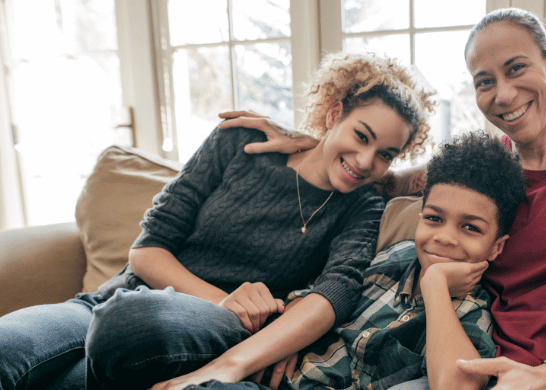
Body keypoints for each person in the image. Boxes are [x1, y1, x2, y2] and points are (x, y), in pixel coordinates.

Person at [222, 8, 546, 390]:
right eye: (484, 80)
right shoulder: (484, 171)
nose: (503, 94)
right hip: (482, 367)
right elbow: (378, 175)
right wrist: (307, 141)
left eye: (516, 69)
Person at [0, 52, 433, 390]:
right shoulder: (241, 140)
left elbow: (334, 294)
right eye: (361, 136)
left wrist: (255, 329)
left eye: (385, 154)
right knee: (9, 348)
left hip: (204, 331)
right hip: (114, 300)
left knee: (130, 323)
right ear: (335, 112)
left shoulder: (362, 207)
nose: (365, 161)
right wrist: (225, 300)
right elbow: (148, 249)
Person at [186, 131, 528, 390]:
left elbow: (455, 385)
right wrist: (290, 338)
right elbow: (318, 297)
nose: (444, 237)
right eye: (434, 219)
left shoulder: (473, 312)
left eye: (470, 227)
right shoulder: (392, 259)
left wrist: (435, 284)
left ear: (497, 247)